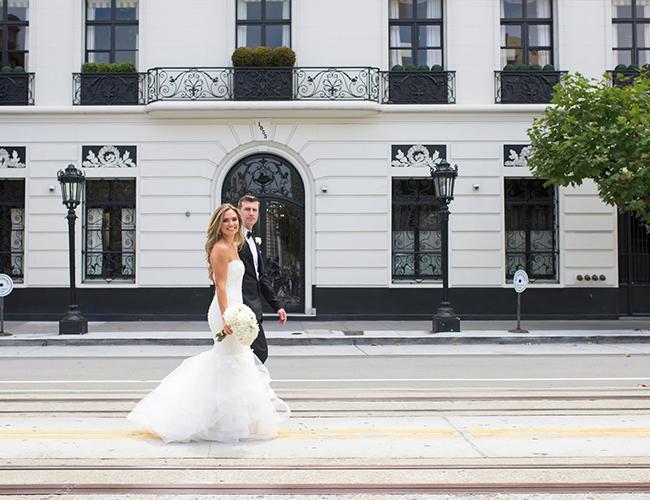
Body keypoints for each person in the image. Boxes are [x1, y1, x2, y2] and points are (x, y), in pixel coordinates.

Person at [127, 204, 289, 443]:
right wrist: (226, 318)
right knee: (227, 360)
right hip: (224, 310)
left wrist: (242, 311)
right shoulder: (220, 248)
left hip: (236, 306)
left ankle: (236, 421)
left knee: (239, 361)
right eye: (226, 221)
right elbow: (221, 286)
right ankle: (218, 421)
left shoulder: (236, 245)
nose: (232, 224)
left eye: (235, 219)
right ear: (218, 225)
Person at [238, 195, 287, 363]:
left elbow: (261, 277)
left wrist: (276, 305)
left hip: (254, 307)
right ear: (239, 211)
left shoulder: (254, 241)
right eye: (247, 209)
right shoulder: (233, 240)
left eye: (254, 210)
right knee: (257, 352)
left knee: (254, 354)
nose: (251, 213)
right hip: (241, 307)